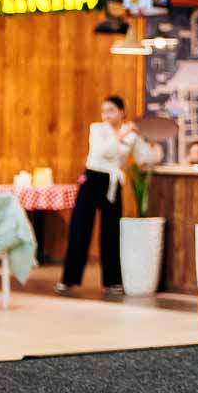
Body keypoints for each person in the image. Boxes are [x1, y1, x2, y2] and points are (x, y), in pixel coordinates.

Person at [59, 96, 141, 297]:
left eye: (111, 110)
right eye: (104, 111)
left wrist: (147, 138)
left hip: (112, 183)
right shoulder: (97, 129)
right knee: (80, 229)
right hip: (92, 179)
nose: (106, 115)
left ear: (121, 111)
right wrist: (122, 134)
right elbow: (102, 151)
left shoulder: (131, 133)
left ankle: (112, 282)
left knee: (111, 232)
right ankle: (68, 279)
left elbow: (144, 157)